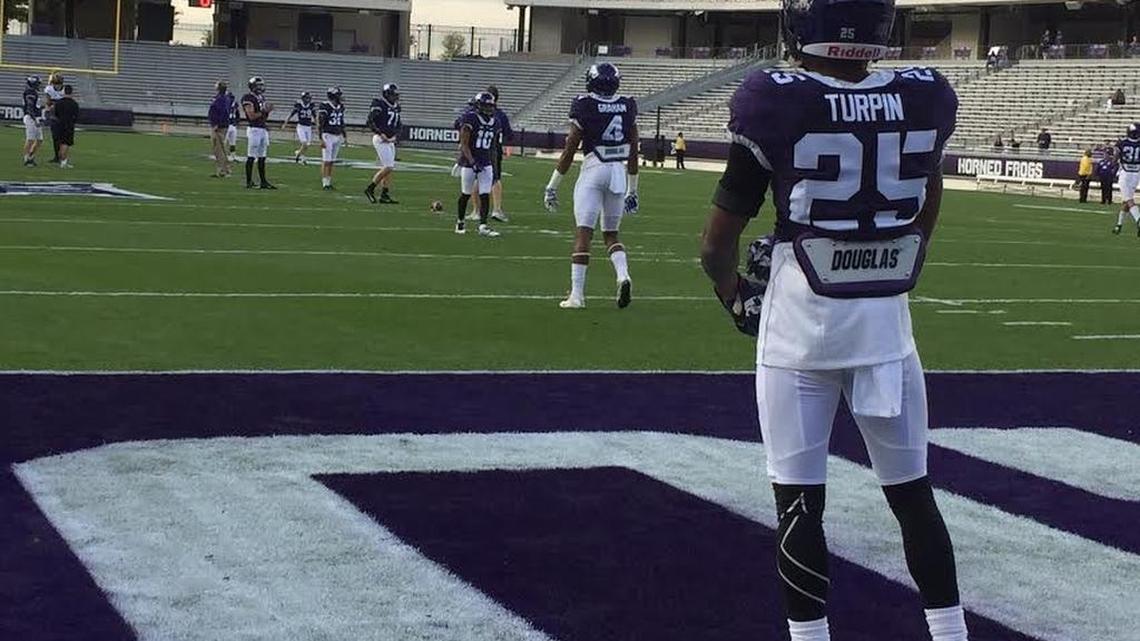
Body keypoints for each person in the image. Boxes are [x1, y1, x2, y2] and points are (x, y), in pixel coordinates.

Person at [698, 0, 967, 639]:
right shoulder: (924, 94)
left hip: (800, 328)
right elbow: (928, 198)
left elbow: (715, 244)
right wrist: (896, 259)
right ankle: (952, 633)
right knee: (913, 498)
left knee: (798, 506)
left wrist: (733, 291)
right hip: (885, 329)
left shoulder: (776, 95)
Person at [543, 62, 638, 309]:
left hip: (594, 169)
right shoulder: (627, 104)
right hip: (618, 173)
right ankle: (623, 275)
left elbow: (570, 147)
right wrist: (633, 188)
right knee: (611, 235)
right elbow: (634, 149)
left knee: (584, 233)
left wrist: (553, 184)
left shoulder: (585, 104)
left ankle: (577, 295)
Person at [454, 92, 502, 237]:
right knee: (466, 193)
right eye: (486, 106)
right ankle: (460, 221)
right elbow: (464, 144)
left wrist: (493, 163)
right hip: (470, 162)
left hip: (486, 161)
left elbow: (493, 146)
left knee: (485, 194)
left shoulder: (496, 122)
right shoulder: (470, 119)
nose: (489, 109)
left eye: (490, 106)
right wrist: (472, 162)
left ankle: (483, 226)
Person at [365, 83, 401, 204]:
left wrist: (395, 135)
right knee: (388, 166)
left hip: (390, 140)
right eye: (393, 94)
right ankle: (370, 188)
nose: (395, 97)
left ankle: (384, 194)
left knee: (389, 168)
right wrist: (381, 134)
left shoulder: (396, 106)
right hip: (380, 139)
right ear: (387, 94)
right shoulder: (379, 104)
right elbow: (370, 121)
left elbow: (398, 124)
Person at [487, 85, 514, 223]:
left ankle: (476, 211)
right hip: (493, 150)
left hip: (479, 149)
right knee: (495, 179)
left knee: (476, 178)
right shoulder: (500, 114)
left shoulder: (477, 112)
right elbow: (509, 134)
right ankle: (496, 209)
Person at [317, 87, 347, 190]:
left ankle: (329, 182)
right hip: (327, 135)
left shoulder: (341, 106)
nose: (340, 97)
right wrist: (320, 139)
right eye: (338, 95)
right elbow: (320, 123)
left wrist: (344, 135)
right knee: (326, 161)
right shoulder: (325, 106)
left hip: (337, 135)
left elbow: (341, 121)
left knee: (332, 161)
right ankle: (325, 183)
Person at [1113, 123, 1140, 235]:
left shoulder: (1122, 143)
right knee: (1126, 201)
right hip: (1136, 174)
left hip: (1125, 173)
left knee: (1129, 200)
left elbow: (1115, 157)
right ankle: (1119, 225)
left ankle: (1139, 220)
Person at [282, 92, 317, 165]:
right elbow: (291, 115)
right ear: (303, 98)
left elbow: (315, 117)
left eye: (309, 98)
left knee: (307, 144)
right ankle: (302, 158)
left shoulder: (311, 105)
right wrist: (285, 123)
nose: (308, 99)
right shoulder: (298, 105)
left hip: (309, 127)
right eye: (306, 98)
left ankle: (298, 153)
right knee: (304, 143)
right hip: (301, 127)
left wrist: (318, 126)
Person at [208, 81, 232, 177]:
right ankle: (224, 169)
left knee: (219, 148)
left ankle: (223, 170)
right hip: (220, 125)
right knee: (219, 148)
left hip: (219, 126)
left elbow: (223, 112)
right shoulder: (222, 98)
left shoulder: (221, 99)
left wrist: (217, 124)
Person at [53, 84, 79, 169]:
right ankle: (63, 162)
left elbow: (55, 114)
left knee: (60, 143)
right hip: (68, 125)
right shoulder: (74, 104)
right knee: (66, 143)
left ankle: (61, 160)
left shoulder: (59, 102)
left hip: (58, 124)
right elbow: (76, 116)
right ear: (72, 92)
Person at [21, 75, 44, 167]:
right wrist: (35, 119)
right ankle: (26, 159)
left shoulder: (33, 92)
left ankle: (31, 156)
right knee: (30, 139)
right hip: (31, 117)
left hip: (35, 117)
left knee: (39, 140)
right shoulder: (30, 92)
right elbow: (30, 108)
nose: (39, 85)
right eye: (38, 84)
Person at [45, 73, 64, 163]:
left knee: (62, 138)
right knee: (55, 138)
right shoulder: (49, 89)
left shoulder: (65, 90)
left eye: (58, 83)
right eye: (55, 83)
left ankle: (62, 156)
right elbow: (48, 103)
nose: (56, 85)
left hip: (63, 116)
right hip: (54, 116)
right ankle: (57, 156)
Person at [225, 90, 239, 162]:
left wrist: (236, 122)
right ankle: (224, 156)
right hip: (228, 125)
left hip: (231, 125)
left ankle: (232, 156)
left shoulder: (234, 104)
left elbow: (237, 114)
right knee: (227, 142)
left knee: (232, 142)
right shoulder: (225, 103)